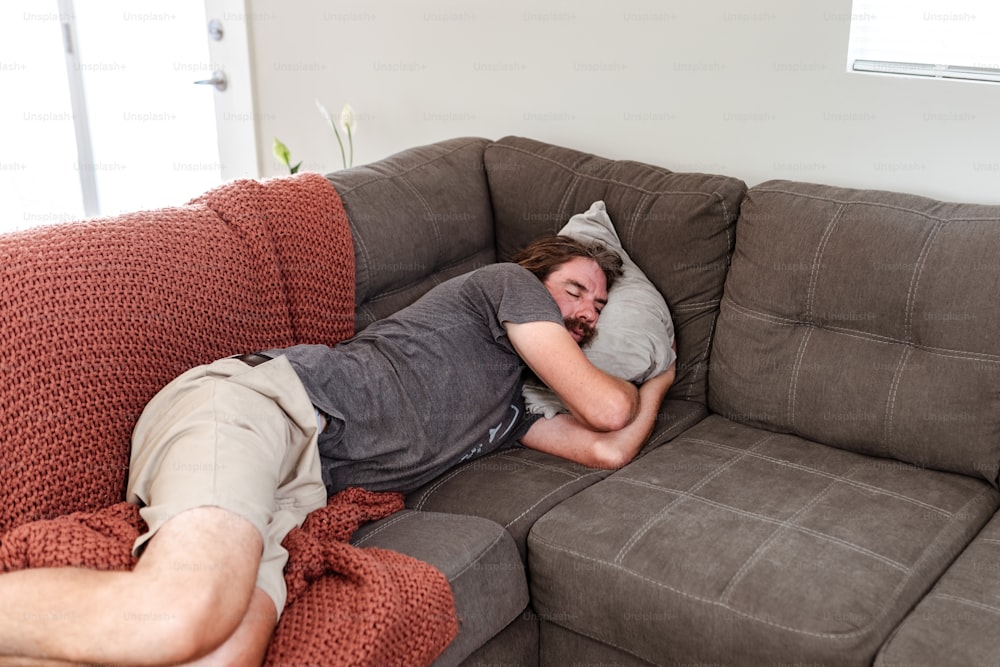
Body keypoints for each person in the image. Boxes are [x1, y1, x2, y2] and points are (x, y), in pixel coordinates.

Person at [0, 235, 675, 666]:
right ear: (536, 281)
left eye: (598, 307)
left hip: (297, 493)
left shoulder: (508, 413)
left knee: (222, 657)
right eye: (575, 290)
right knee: (177, 615)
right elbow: (608, 406)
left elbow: (608, 448)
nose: (586, 313)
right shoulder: (501, 286)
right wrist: (640, 387)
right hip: (258, 406)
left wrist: (663, 378)